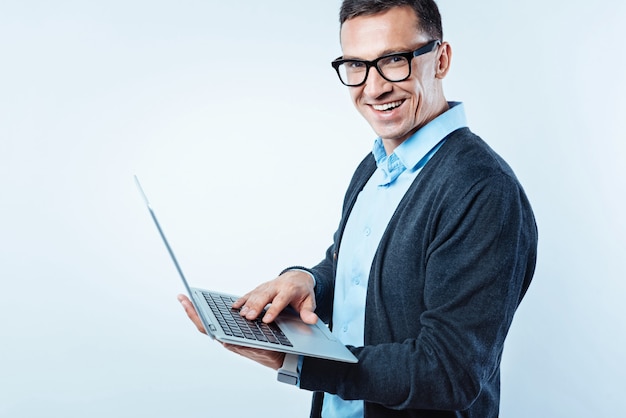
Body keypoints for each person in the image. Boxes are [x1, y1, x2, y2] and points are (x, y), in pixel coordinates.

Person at [178, 0, 538, 417]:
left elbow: (449, 372)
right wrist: (308, 280)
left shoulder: (482, 189)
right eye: (356, 66)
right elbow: (357, 271)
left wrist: (297, 361)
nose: (373, 88)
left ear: (441, 59)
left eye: (394, 61)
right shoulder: (374, 166)